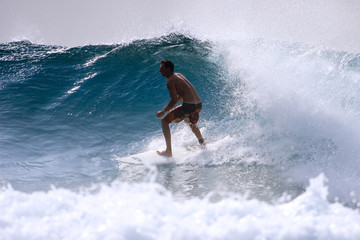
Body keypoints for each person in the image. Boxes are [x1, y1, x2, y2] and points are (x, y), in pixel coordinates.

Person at [156, 60, 205, 157]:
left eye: (162, 68)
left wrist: (163, 111)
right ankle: (202, 143)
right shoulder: (179, 75)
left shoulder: (170, 81)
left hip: (188, 106)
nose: (160, 70)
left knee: (164, 121)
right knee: (188, 120)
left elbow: (173, 100)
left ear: (168, 68)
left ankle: (168, 151)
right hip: (198, 105)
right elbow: (183, 95)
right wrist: (171, 108)